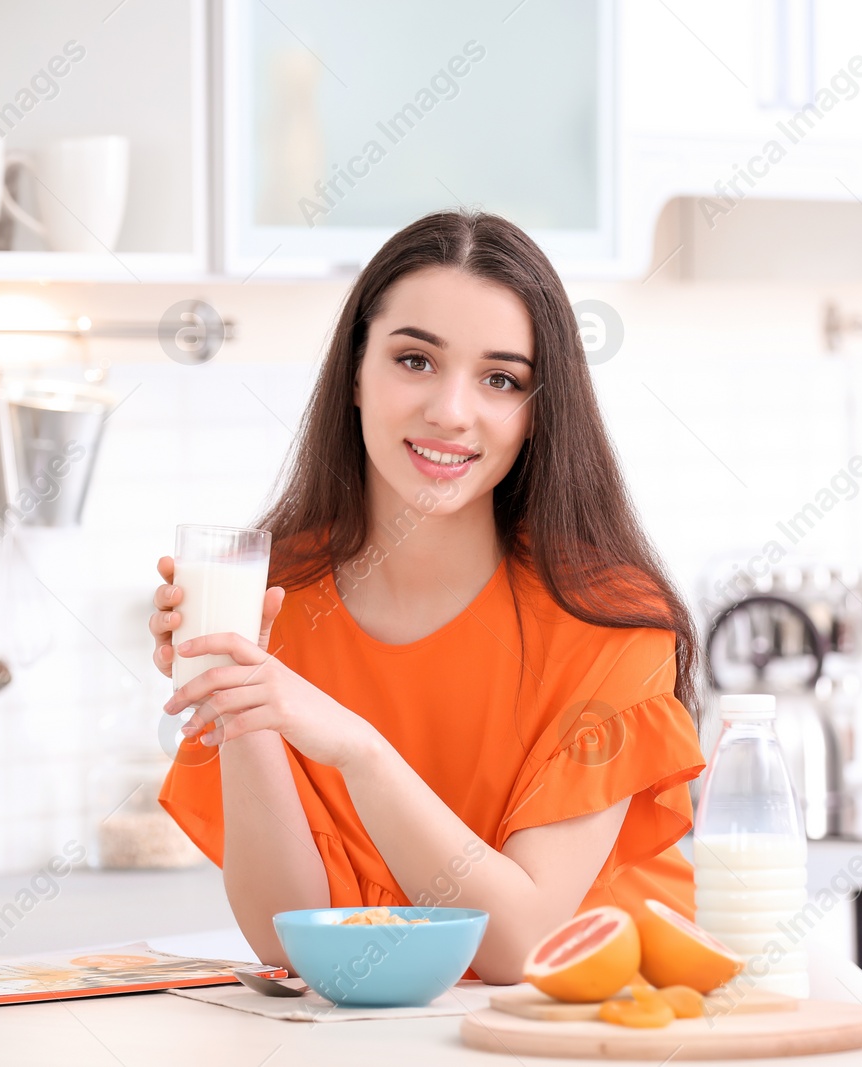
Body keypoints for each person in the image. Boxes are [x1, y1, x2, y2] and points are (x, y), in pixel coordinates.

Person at [151, 209, 704, 983]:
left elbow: (520, 945)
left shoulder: (605, 620)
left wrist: (360, 749)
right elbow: (287, 937)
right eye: (415, 360)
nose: (451, 410)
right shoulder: (280, 597)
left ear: (537, 410)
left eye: (500, 378)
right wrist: (246, 699)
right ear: (353, 370)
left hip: (589, 1037)